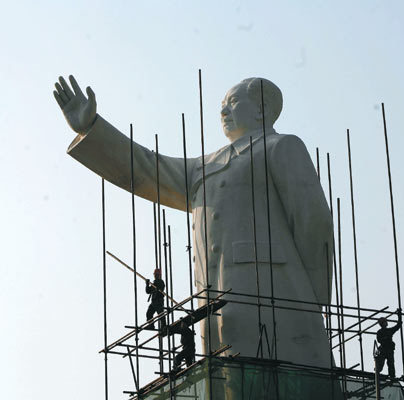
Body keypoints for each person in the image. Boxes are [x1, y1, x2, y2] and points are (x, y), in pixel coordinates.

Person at [53, 75, 334, 368]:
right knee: (228, 373)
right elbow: (148, 168)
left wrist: (312, 297)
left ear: (262, 109)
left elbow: (314, 221)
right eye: (221, 106)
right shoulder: (205, 166)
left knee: (284, 370)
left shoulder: (280, 147)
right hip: (216, 295)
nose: (223, 112)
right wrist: (92, 128)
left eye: (233, 103)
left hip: (275, 290)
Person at [375, 310, 402, 378]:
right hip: (383, 349)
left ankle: (392, 376)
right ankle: (377, 371)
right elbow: (379, 340)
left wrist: (399, 315)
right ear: (382, 323)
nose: (386, 323)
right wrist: (385, 339)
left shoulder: (389, 330)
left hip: (389, 349)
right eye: (385, 322)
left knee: (391, 364)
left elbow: (398, 325)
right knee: (381, 363)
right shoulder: (380, 332)